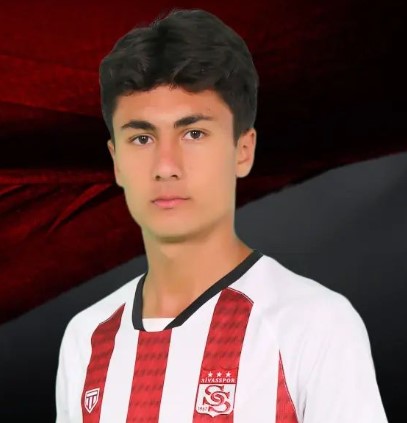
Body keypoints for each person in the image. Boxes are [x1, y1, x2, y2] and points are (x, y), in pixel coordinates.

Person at [55, 8, 388, 422]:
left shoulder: (314, 325)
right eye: (141, 138)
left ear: (243, 150)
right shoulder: (87, 338)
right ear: (116, 161)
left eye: (193, 133)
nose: (166, 165)